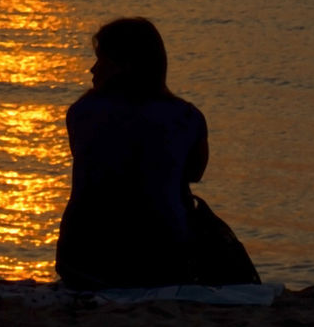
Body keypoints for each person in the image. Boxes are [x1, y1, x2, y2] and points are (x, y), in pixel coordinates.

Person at [55, 17, 209, 289]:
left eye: (100, 60)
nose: (92, 69)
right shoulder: (187, 117)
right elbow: (194, 173)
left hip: (80, 261)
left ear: (122, 65)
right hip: (162, 264)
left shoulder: (81, 112)